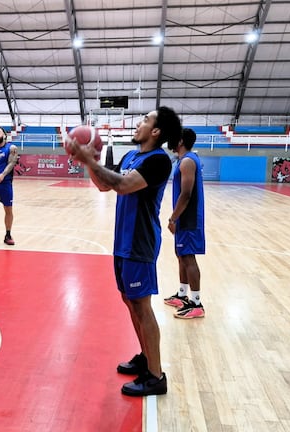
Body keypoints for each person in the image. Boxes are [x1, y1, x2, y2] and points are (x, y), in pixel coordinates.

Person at [66, 106, 181, 397]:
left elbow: (124, 185)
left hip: (140, 242)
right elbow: (105, 186)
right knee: (130, 301)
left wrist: (87, 158)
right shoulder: (131, 156)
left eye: (145, 120)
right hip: (122, 241)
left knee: (142, 305)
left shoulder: (159, 161)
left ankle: (156, 376)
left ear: (156, 131)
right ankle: (146, 354)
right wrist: (90, 162)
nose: (138, 123)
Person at [163, 128, 206, 319]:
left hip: (188, 218)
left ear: (180, 141)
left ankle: (196, 304)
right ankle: (182, 296)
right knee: (181, 254)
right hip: (184, 217)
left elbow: (186, 194)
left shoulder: (188, 161)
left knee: (188, 257)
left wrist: (173, 218)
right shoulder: (184, 160)